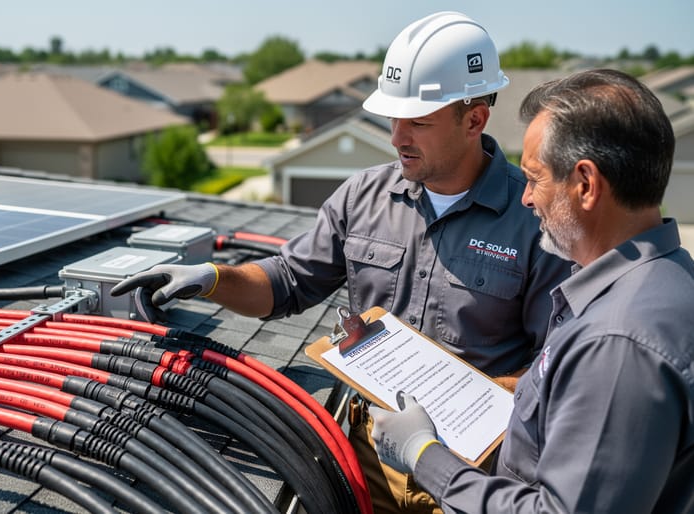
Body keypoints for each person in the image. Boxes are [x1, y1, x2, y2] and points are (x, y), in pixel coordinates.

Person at [112, 11, 571, 513]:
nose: (397, 137)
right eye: (393, 119)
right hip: (364, 458)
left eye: (417, 121)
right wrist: (211, 279)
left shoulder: (533, 220)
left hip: (465, 474)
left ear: (474, 120)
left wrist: (459, 402)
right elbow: (288, 281)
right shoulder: (363, 197)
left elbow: (555, 369)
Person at [370, 68, 694, 513]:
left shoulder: (618, 344)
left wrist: (425, 457)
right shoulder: (663, 280)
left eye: (536, 178)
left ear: (585, 185)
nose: (525, 198)